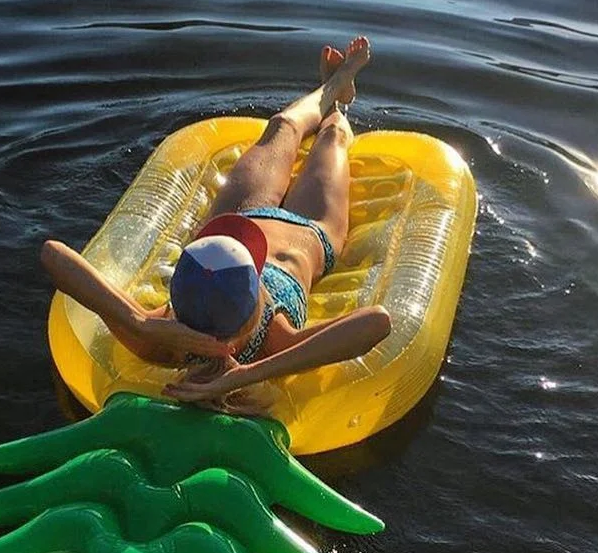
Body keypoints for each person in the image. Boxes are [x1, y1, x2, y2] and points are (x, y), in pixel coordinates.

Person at [40, 36, 391, 409]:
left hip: (238, 217)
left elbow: (52, 254)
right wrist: (251, 373)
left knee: (282, 126)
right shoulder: (273, 338)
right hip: (307, 231)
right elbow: (376, 323)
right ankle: (337, 105)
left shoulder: (155, 338)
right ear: (255, 297)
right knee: (333, 138)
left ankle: (333, 85)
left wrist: (139, 321)